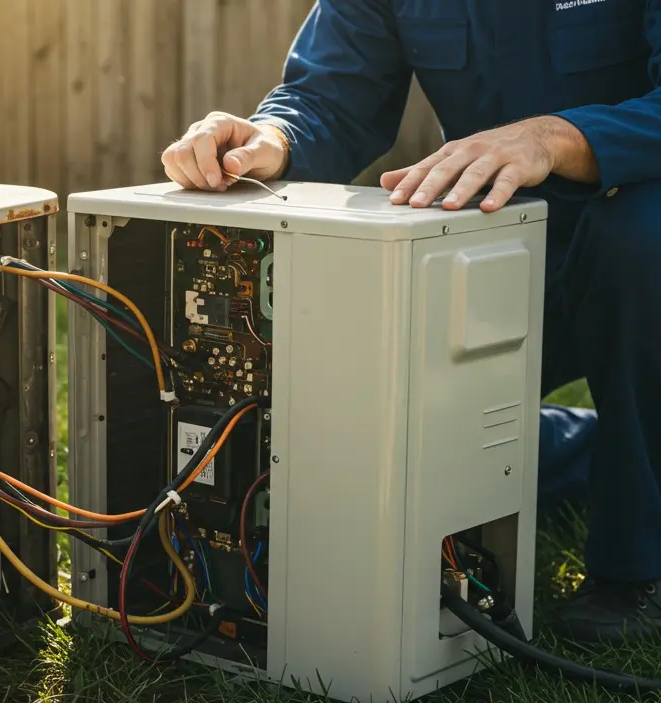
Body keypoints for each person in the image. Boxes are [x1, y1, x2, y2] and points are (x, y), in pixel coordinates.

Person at [161, 0, 661, 645]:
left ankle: (637, 568)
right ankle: (593, 447)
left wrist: (555, 137)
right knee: (382, 455)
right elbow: (331, 100)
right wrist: (272, 139)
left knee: (640, 236)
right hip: (499, 250)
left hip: (636, 247)